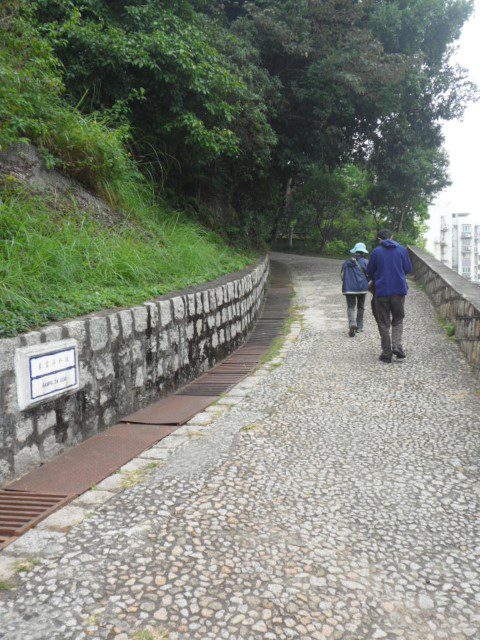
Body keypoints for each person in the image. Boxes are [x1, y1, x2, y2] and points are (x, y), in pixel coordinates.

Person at [367, 229, 412, 363]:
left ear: (379, 239)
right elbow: (408, 269)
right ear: (391, 237)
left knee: (384, 323)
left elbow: (369, 272)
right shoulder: (402, 250)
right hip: (398, 291)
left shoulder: (376, 252)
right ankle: (397, 346)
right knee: (398, 319)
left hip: (381, 292)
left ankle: (387, 353)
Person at [341, 242, 369, 337]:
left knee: (351, 307)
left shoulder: (346, 262)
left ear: (355, 252)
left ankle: (352, 323)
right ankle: (360, 327)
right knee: (361, 307)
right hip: (362, 288)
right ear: (363, 253)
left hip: (349, 289)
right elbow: (370, 275)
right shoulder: (365, 262)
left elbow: (342, 275)